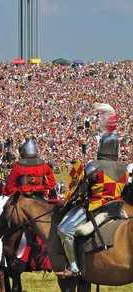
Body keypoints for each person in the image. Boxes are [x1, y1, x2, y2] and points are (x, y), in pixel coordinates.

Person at [56, 103, 129, 278]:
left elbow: (80, 190)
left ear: (101, 147)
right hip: (118, 209)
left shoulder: (93, 166)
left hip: (97, 208)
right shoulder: (124, 170)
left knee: (64, 229)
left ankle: (73, 268)